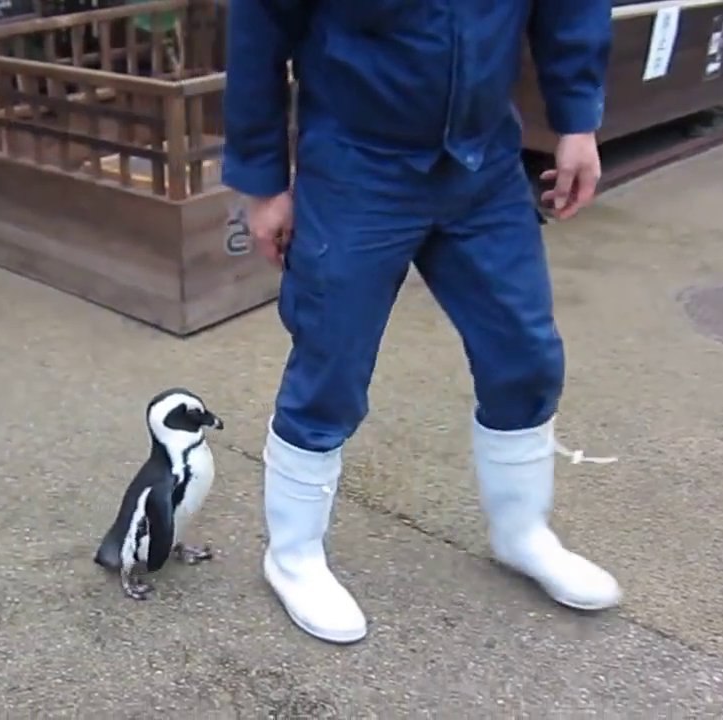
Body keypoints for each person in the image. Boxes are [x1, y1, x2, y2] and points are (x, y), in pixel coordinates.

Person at [222, 0, 622, 645]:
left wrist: (578, 120)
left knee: (524, 351)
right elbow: (259, 30)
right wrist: (264, 185)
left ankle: (521, 532)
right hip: (357, 165)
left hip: (483, 165)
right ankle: (293, 554)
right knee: (332, 361)